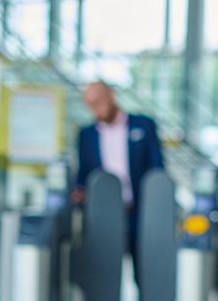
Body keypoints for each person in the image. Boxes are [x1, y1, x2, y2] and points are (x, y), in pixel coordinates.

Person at [73, 81, 164, 285]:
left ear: (111, 95)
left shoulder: (143, 126)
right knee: (103, 277)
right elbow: (83, 175)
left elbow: (157, 171)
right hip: (104, 216)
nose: (95, 109)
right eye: (90, 104)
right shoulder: (86, 135)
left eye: (98, 102)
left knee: (146, 273)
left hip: (139, 214)